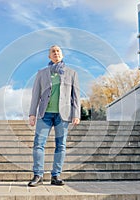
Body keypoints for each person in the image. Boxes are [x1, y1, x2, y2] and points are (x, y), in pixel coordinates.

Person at [28, 45, 81, 187]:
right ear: (49, 56)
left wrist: (76, 114)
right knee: (39, 144)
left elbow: (75, 96)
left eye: (58, 51)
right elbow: (35, 95)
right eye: (53, 51)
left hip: (63, 115)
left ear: (62, 55)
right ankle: (38, 175)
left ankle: (56, 175)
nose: (56, 53)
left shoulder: (72, 73)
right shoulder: (42, 73)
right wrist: (32, 113)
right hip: (44, 114)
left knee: (61, 145)